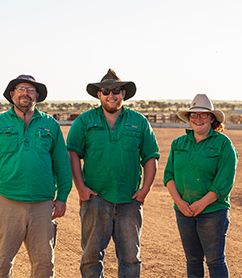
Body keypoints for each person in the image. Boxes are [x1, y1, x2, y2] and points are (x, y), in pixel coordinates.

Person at [0, 74, 72, 278]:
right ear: (12, 94)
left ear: (37, 95)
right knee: (1, 263)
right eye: (20, 89)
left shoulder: (50, 125)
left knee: (44, 264)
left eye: (30, 89)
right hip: (7, 202)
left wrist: (62, 197)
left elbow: (62, 164)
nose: (25, 93)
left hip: (42, 205)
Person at [67, 69, 160, 278]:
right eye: (106, 91)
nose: (111, 95)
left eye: (116, 90)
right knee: (91, 258)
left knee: (130, 259)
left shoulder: (139, 122)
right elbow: (73, 153)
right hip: (95, 200)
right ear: (99, 95)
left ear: (123, 94)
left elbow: (150, 157)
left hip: (129, 200)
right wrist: (81, 188)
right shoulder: (84, 121)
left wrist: (145, 189)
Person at [164, 94, 238, 278]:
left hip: (213, 213)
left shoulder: (223, 144)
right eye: (194, 115)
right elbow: (169, 176)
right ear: (189, 119)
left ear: (212, 118)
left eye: (204, 115)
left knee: (215, 261)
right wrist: (180, 203)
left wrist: (201, 204)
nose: (198, 119)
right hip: (184, 211)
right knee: (193, 260)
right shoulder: (178, 144)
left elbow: (224, 182)